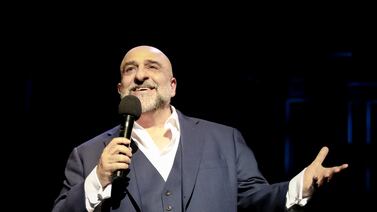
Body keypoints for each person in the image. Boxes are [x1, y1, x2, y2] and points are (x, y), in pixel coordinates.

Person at [52, 45, 348, 212]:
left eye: (152, 67)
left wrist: (300, 185)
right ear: (120, 89)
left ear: (173, 86)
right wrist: (98, 179)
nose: (140, 75)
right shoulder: (89, 154)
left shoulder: (224, 140)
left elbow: (254, 201)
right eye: (130, 69)